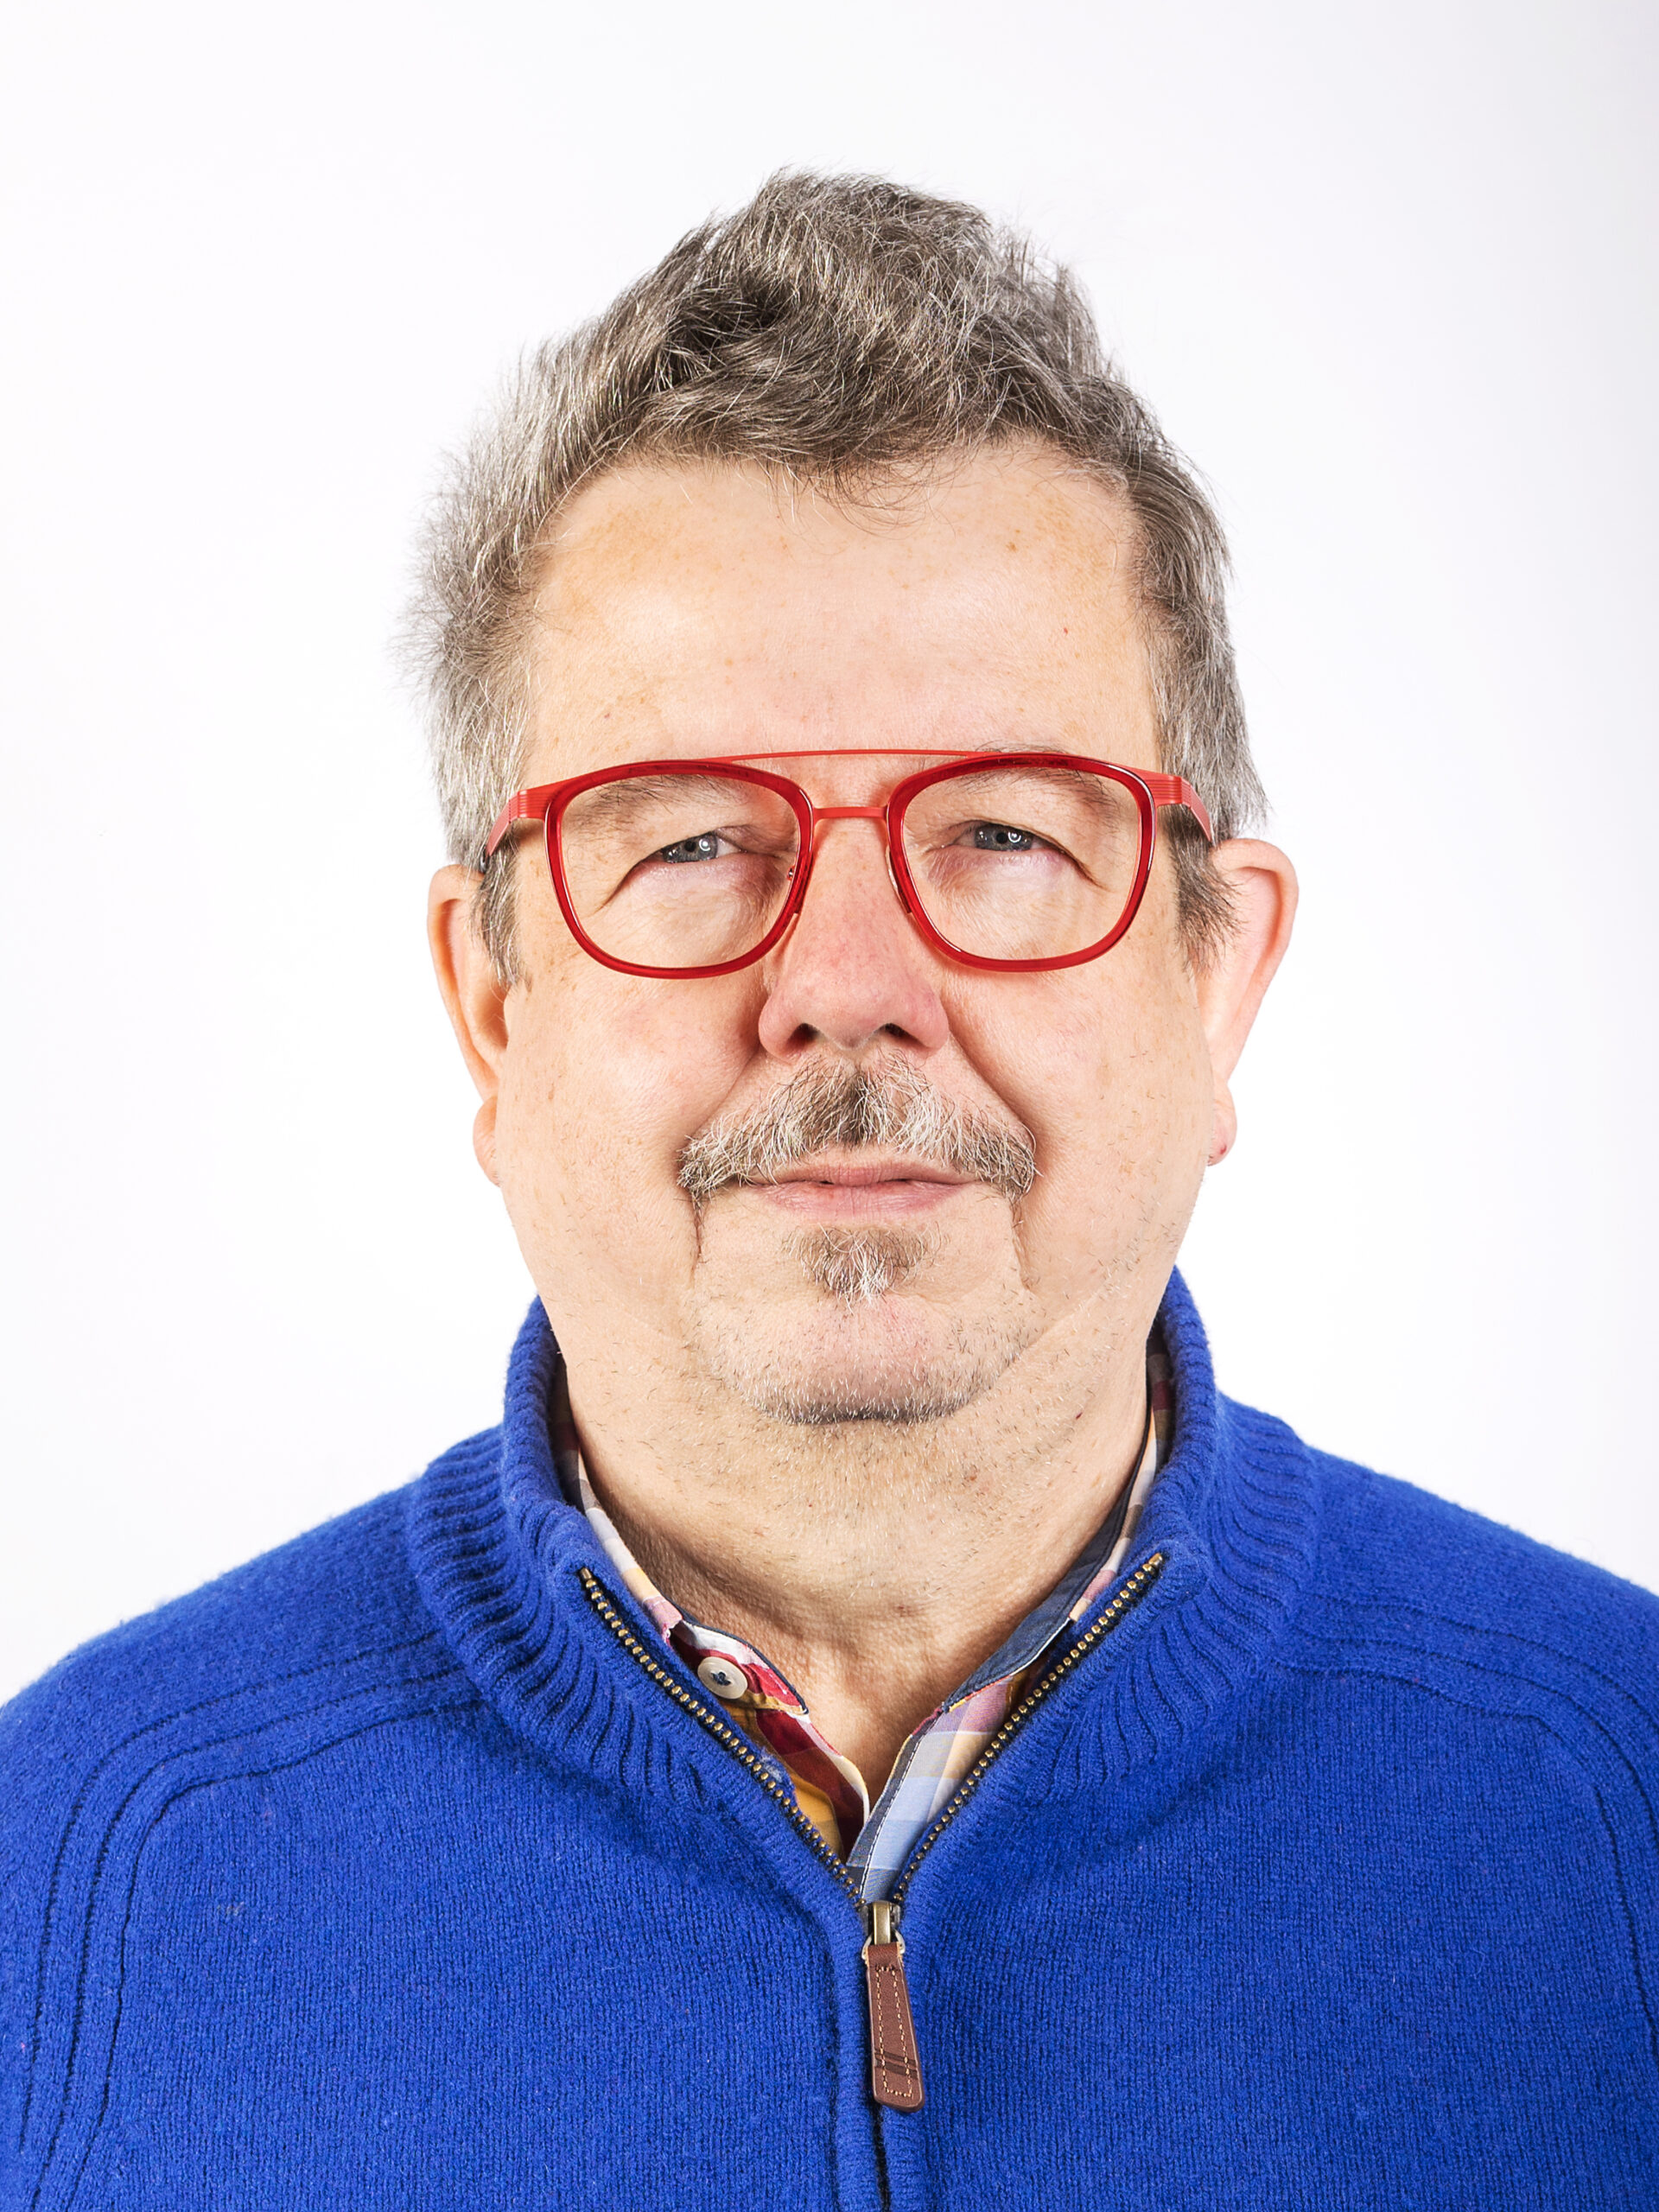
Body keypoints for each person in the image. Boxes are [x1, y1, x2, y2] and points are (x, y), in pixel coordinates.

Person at [3, 172, 1655, 2211]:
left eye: (1005, 835)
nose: (850, 985)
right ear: (489, 1004)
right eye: (691, 839)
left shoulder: (1620, 1804)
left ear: (1221, 976)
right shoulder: (77, 1862)